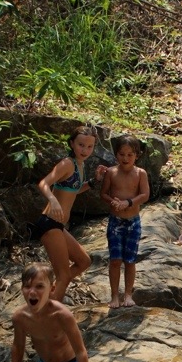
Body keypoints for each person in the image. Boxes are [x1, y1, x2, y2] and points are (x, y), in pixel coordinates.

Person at [34, 125, 107, 302]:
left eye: (89, 147)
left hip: (58, 226)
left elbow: (74, 190)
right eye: (81, 145)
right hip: (49, 223)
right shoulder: (67, 163)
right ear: (72, 143)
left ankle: (49, 294)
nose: (85, 150)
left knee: (84, 262)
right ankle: (50, 310)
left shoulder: (79, 165)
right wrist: (52, 200)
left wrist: (94, 181)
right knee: (64, 276)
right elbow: (43, 183)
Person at [100, 134, 150, 308]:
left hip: (133, 222)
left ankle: (128, 294)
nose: (125, 158)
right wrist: (112, 201)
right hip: (115, 222)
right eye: (122, 154)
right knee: (115, 260)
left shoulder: (140, 173)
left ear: (137, 155)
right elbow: (103, 193)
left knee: (130, 260)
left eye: (130, 155)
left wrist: (128, 203)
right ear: (116, 154)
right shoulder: (111, 172)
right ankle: (114, 295)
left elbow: (145, 195)